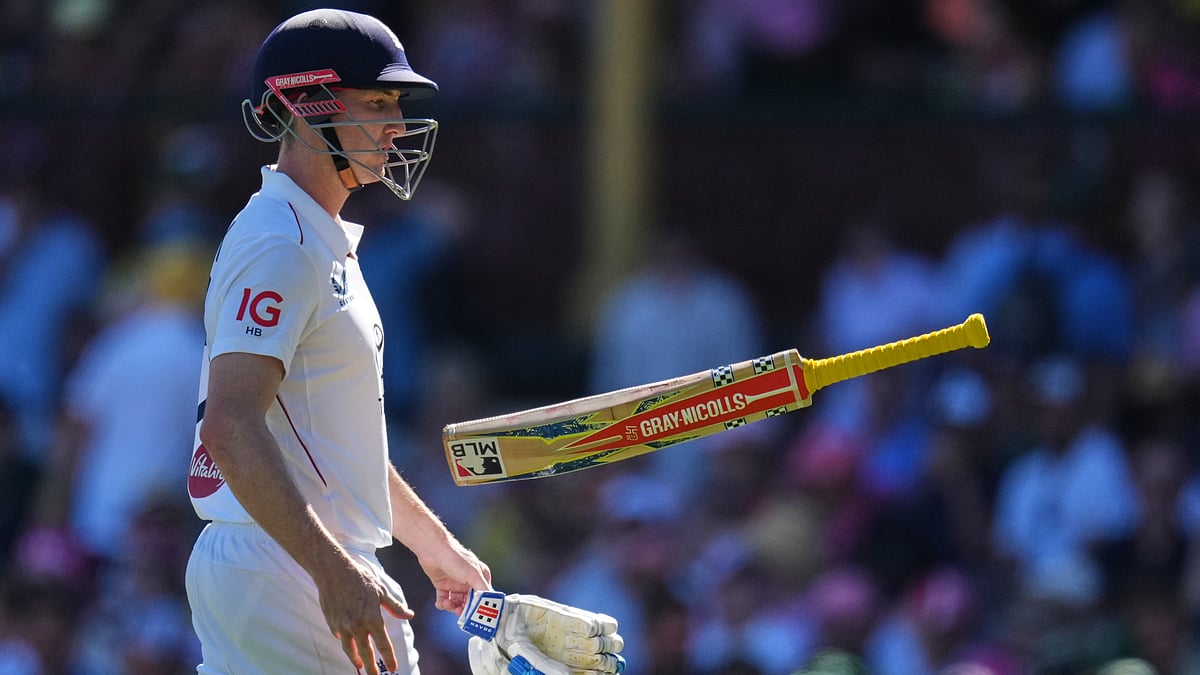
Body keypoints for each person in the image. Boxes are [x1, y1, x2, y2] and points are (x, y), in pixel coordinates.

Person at [185, 9, 623, 675]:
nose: (396, 124)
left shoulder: (316, 240)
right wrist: (334, 571)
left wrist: (434, 545)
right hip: (287, 563)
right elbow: (231, 425)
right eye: (377, 103)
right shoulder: (281, 243)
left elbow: (340, 447)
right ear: (304, 107)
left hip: (289, 557)